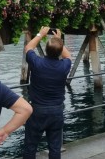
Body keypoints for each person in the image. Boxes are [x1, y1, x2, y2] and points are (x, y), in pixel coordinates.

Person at [23, 27, 72, 159]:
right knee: (55, 148)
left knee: (30, 146)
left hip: (37, 110)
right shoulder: (64, 66)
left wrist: (40, 34)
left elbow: (28, 48)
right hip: (56, 111)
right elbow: (68, 56)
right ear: (60, 51)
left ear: (45, 50)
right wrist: (59, 39)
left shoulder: (37, 63)